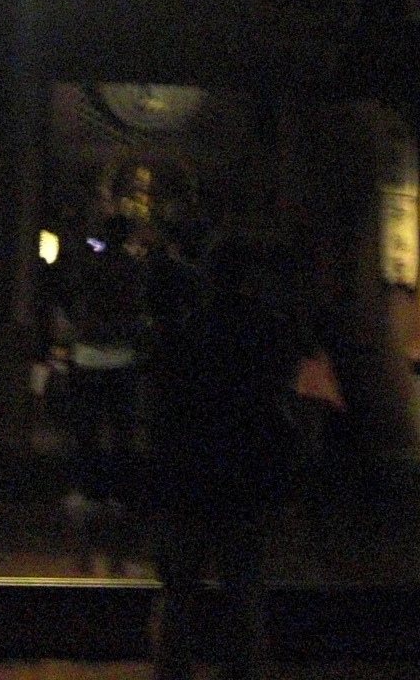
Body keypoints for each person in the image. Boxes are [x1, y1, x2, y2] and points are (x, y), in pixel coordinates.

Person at [147, 232, 303, 680]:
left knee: (181, 585)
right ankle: (240, 667)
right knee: (244, 584)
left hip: (191, 471)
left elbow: (167, 406)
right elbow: (277, 397)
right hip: (247, 470)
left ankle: (175, 667)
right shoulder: (270, 329)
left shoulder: (186, 330)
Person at [60, 213, 150, 573]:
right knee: (120, 429)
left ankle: (90, 489)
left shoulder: (90, 266)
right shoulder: (133, 268)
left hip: (88, 354)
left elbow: (72, 299)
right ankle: (118, 492)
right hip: (121, 355)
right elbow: (138, 310)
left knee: (88, 427)